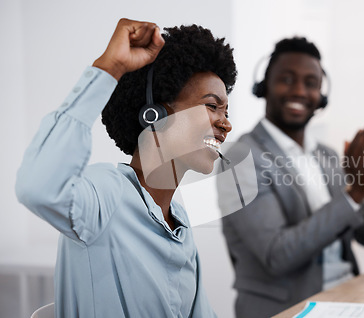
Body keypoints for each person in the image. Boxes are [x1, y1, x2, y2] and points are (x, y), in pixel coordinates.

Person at [16, 18, 236, 318]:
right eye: (212, 106)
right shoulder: (106, 194)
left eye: (226, 111)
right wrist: (110, 67)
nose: (226, 124)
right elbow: (37, 187)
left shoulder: (179, 222)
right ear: (154, 113)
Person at [217, 37, 364, 318]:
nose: (299, 90)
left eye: (311, 83)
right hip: (290, 309)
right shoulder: (240, 158)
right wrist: (353, 195)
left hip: (347, 297)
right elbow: (277, 256)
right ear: (264, 86)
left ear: (321, 96)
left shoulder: (327, 156)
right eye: (287, 79)